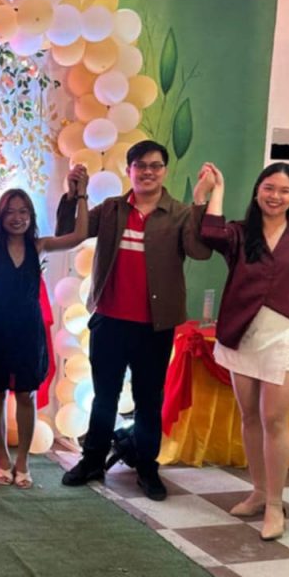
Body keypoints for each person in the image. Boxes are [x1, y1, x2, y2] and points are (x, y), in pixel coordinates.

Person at [58, 139, 211, 500]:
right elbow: (69, 232)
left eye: (155, 166)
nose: (147, 172)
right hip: (109, 322)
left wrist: (201, 201)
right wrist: (73, 196)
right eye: (140, 165)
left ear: (165, 171)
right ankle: (92, 460)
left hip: (154, 326)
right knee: (104, 397)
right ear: (129, 170)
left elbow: (200, 250)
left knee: (148, 399)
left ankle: (146, 467)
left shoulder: (179, 213)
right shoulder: (112, 209)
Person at [195, 161, 289, 540]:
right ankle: (258, 492)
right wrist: (215, 191)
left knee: (273, 418)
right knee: (250, 417)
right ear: (257, 191)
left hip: (288, 336)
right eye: (269, 188)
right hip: (243, 334)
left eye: (284, 190)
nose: (275, 196)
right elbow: (208, 232)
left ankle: (275, 504)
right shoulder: (241, 233)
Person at [0, 140, 89, 487]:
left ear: (31, 217)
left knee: (26, 394)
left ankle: (23, 461)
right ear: (2, 216)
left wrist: (81, 194)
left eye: (23, 212)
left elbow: (79, 234)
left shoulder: (40, 246)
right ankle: (2, 458)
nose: (17, 217)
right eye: (10, 212)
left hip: (28, 330)